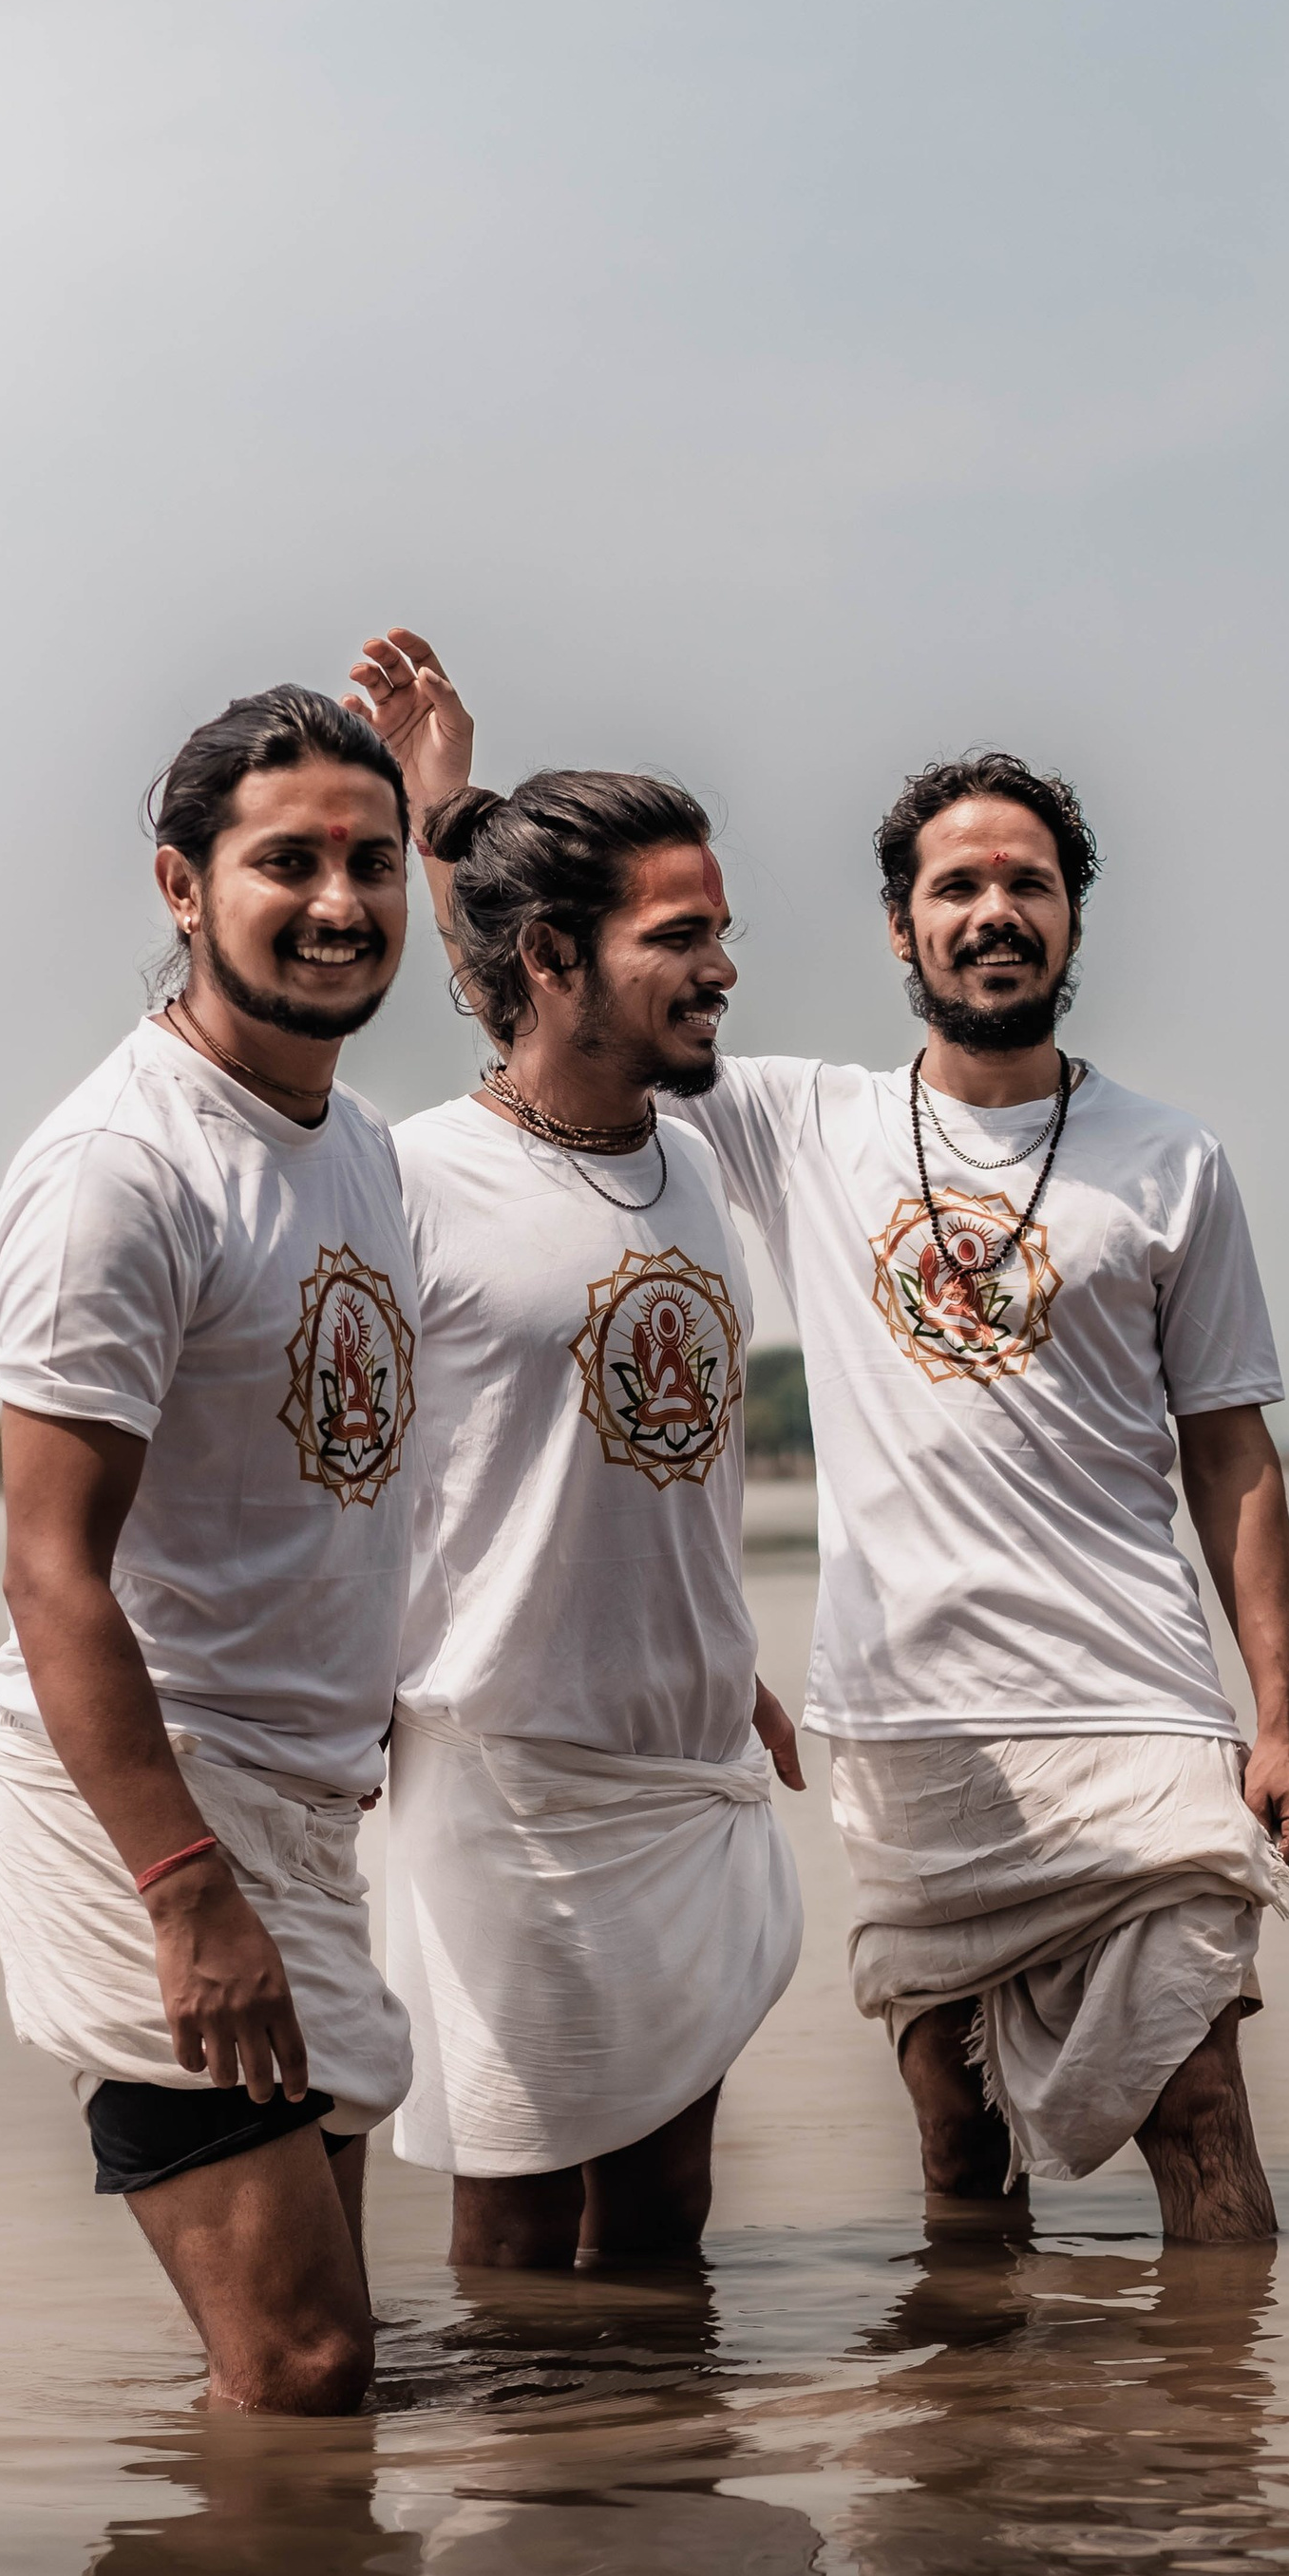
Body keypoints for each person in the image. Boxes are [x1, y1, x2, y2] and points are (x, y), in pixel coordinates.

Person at [347, 635, 1289, 2245]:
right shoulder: (797, 1121)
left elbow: (1234, 1453)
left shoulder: (1173, 1161)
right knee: (956, 2151)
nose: (992, 911)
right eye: (955, 886)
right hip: (907, 1722)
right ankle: (963, 2487)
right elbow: (566, 1006)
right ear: (902, 926)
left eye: (1027, 881)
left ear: (1074, 913)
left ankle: (1217, 2466)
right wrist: (448, 809)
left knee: (1204, 2105)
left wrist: (1279, 1719)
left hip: (1137, 1705)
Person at [0, 687, 420, 2413]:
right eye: (284, 861)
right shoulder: (122, 1169)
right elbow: (50, 1567)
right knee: (305, 2361)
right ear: (182, 884)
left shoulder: (356, 1147)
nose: (336, 901)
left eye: (371, 862)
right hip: (176, 1831)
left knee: (321, 2381)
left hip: (297, 1812)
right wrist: (169, 1877)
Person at [358, 757, 805, 2268]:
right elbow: (330, 1481)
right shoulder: (409, 1180)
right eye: (678, 935)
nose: (720, 967)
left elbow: (629, 1462)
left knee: (671, 2211)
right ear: (552, 957)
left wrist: (730, 1671)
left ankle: (663, 2488)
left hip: (686, 1766)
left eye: (719, 929)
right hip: (507, 1772)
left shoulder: (693, 1158)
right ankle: (526, 2496)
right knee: (523, 2202)